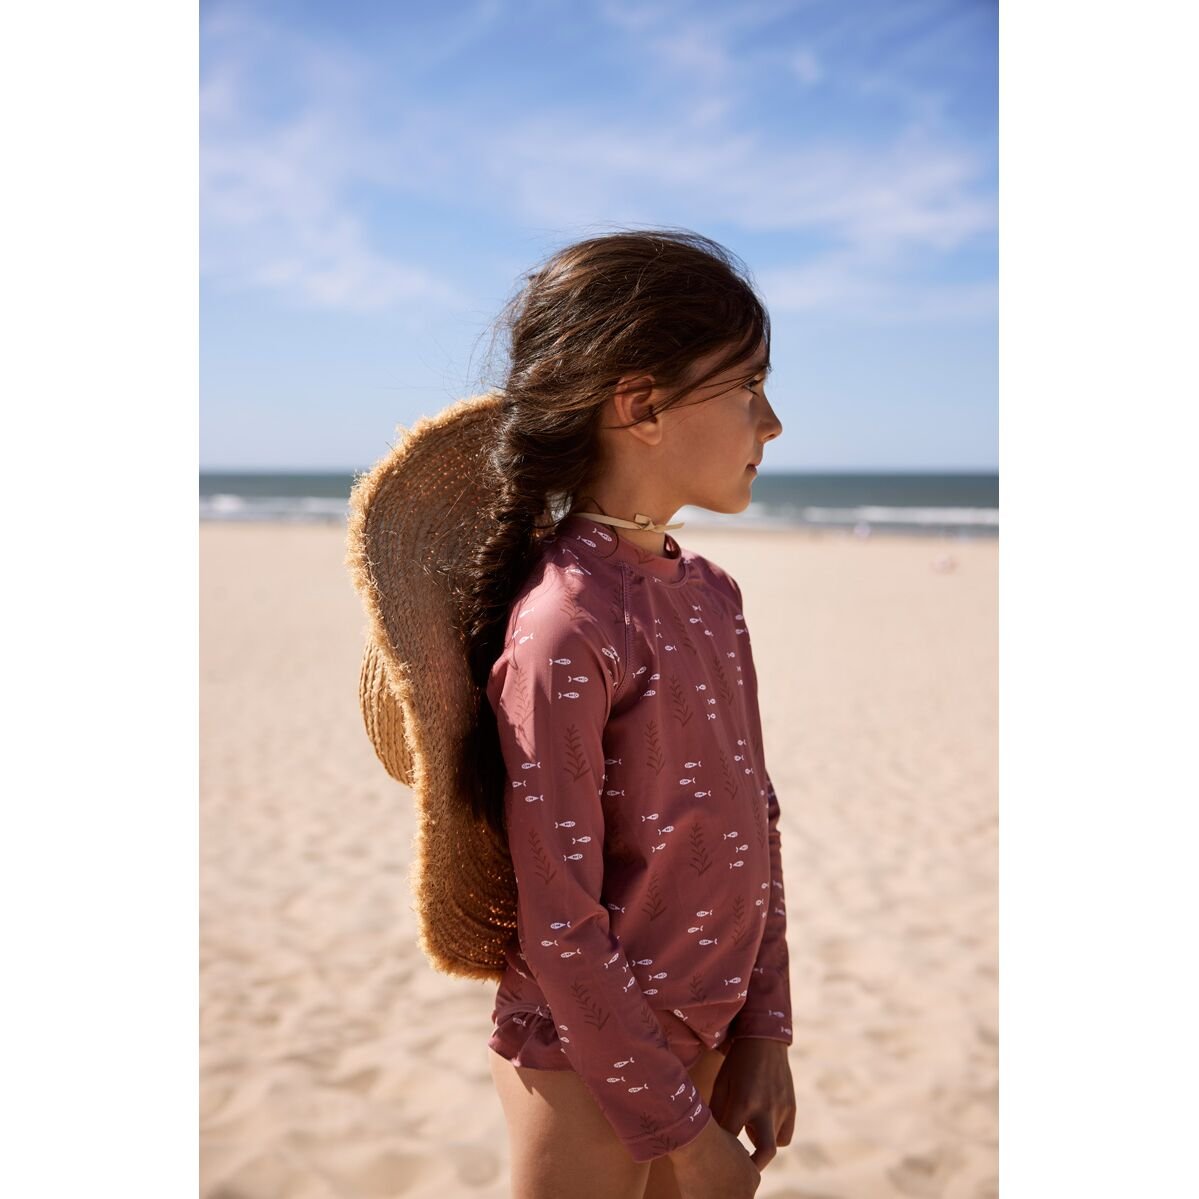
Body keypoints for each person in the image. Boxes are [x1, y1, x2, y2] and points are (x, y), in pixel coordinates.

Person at [454, 229, 795, 1199]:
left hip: (712, 1029)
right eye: (747, 387)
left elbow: (755, 818)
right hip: (586, 1060)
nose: (771, 423)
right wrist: (682, 1134)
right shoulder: (565, 623)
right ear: (641, 404)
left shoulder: (713, 595)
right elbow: (559, 919)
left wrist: (765, 1027)